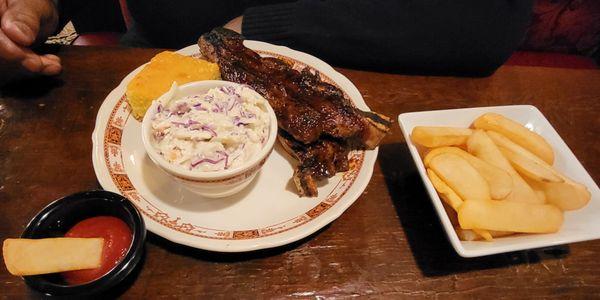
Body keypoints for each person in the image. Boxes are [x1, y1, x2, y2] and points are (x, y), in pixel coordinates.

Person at [0, 0, 533, 76]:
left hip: (366, 63)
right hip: (158, 57)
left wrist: (253, 31)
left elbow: (489, 22)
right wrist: (42, 7)